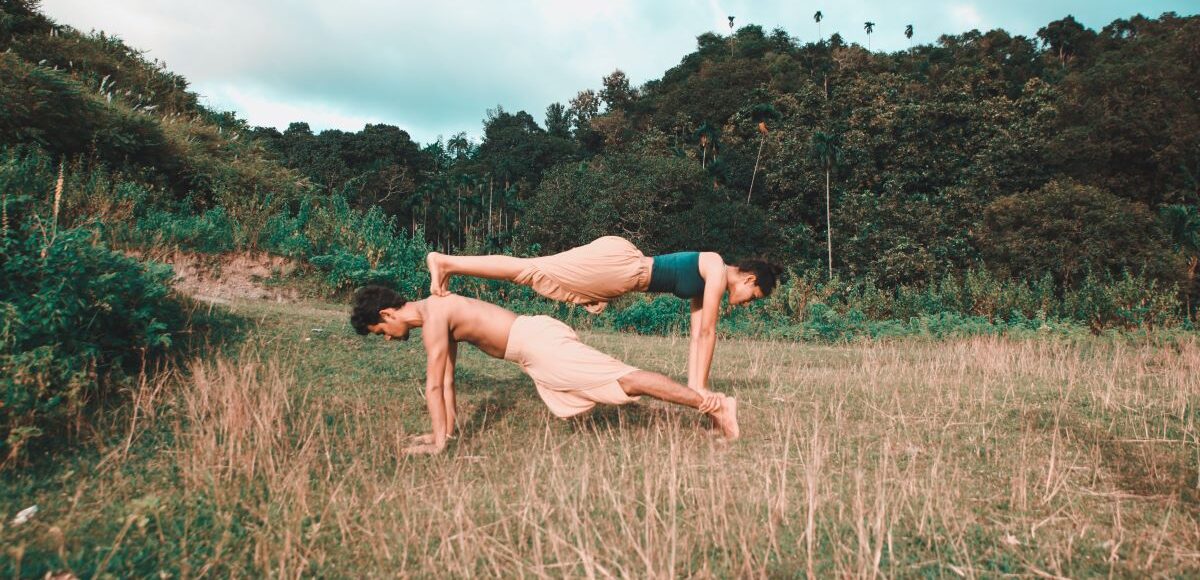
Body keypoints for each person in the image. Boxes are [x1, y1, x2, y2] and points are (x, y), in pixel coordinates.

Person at [350, 285, 740, 455]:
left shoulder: (434, 316)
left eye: (380, 331)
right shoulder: (435, 314)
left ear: (386, 314)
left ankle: (715, 405)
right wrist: (443, 434)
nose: (386, 337)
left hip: (536, 345)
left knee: (627, 379)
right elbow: (448, 381)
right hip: (533, 348)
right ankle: (712, 405)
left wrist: (436, 444)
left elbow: (434, 387)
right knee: (623, 381)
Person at [426, 236, 783, 400]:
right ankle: (447, 262)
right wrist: (702, 392)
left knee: (536, 272)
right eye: (754, 296)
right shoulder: (717, 269)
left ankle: (450, 263)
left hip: (619, 274)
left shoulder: (706, 283)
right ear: (749, 279)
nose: (748, 302)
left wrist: (695, 390)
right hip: (621, 268)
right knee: (530, 271)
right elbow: (708, 334)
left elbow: (697, 339)